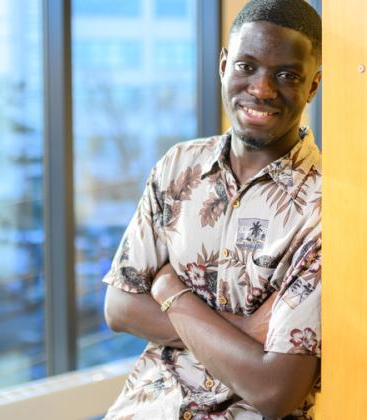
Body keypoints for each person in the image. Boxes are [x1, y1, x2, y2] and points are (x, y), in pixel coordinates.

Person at [101, 0, 322, 418]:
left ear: (312, 86)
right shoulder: (177, 167)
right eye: (246, 66)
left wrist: (169, 292)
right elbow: (120, 307)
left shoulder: (326, 207)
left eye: (287, 75)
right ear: (223, 65)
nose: (261, 88)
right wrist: (244, 333)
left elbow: (275, 389)